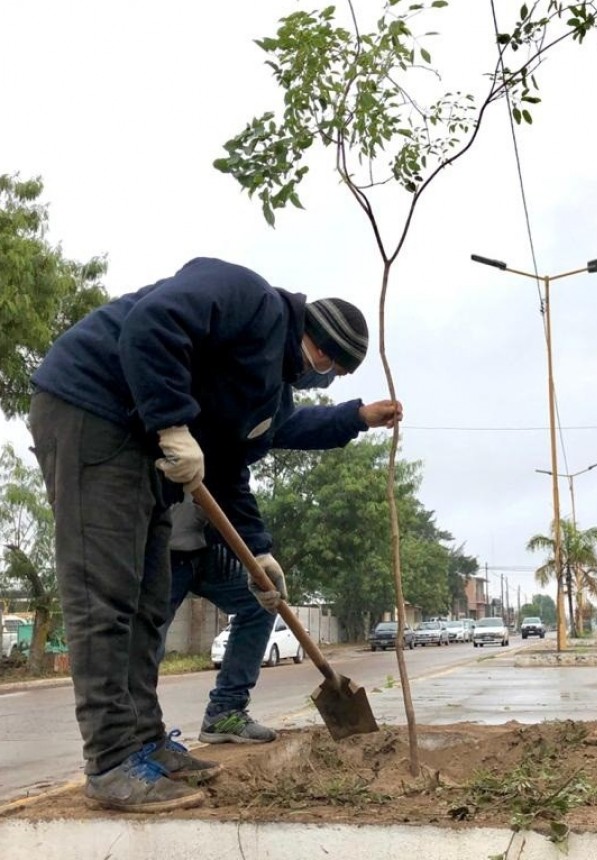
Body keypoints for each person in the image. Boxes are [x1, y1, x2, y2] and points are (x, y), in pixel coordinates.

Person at [28, 257, 401, 813]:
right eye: (332, 370)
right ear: (320, 349)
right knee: (106, 596)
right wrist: (173, 421)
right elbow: (152, 324)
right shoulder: (247, 297)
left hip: (142, 439)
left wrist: (260, 552)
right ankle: (110, 763)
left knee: (148, 601)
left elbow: (229, 470)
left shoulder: (265, 394)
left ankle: (146, 742)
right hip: (91, 406)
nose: (324, 380)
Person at [160, 390, 399, 745]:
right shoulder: (178, 392)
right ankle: (137, 737)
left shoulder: (242, 408)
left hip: (208, 542)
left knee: (262, 601)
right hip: (159, 542)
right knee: (144, 635)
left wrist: (358, 417)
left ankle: (225, 712)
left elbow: (290, 425)